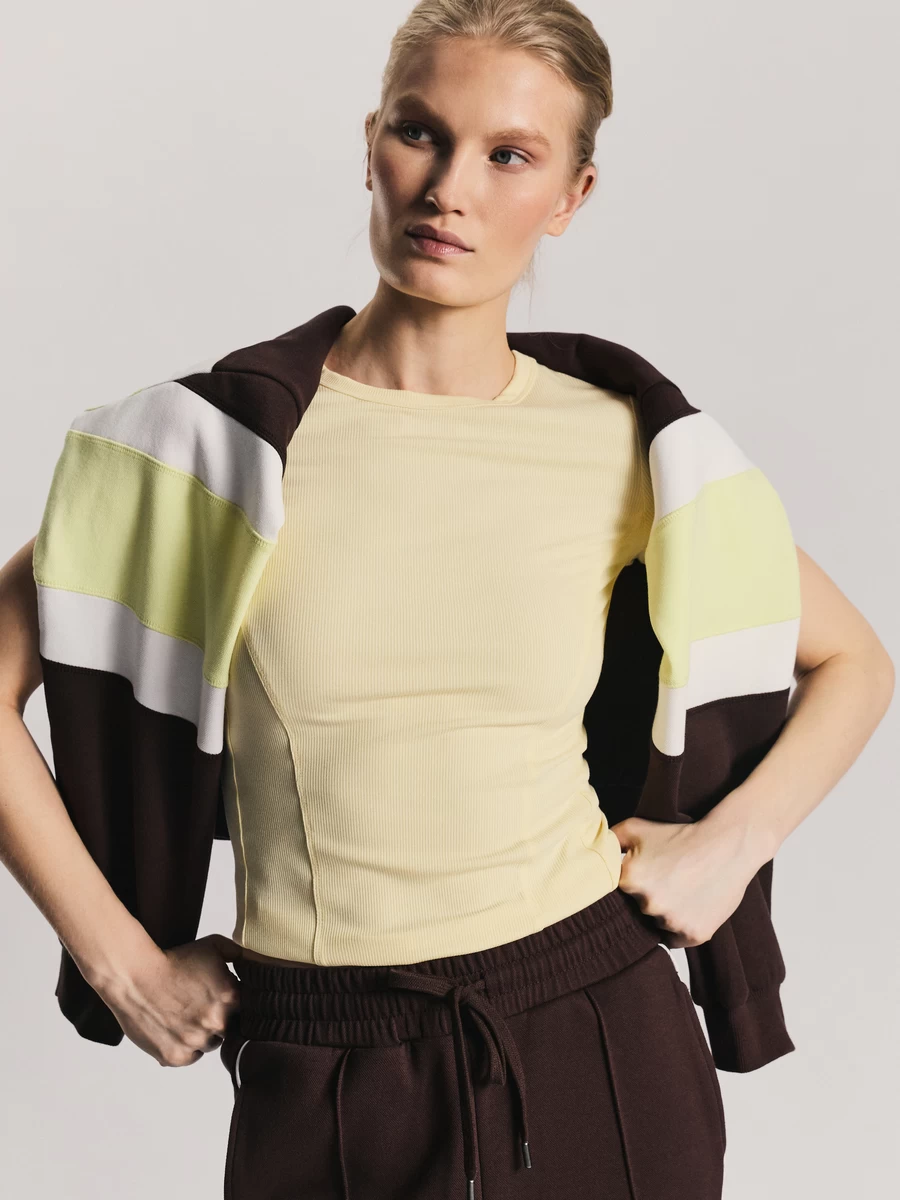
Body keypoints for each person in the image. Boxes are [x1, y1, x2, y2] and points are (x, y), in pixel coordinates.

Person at [0, 2, 893, 1198]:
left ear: (571, 195)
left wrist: (731, 845)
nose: (450, 189)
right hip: (323, 1056)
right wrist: (121, 965)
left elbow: (853, 661)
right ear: (371, 144)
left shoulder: (625, 445)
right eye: (421, 133)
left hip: (599, 1032)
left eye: (510, 155)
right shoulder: (216, 452)